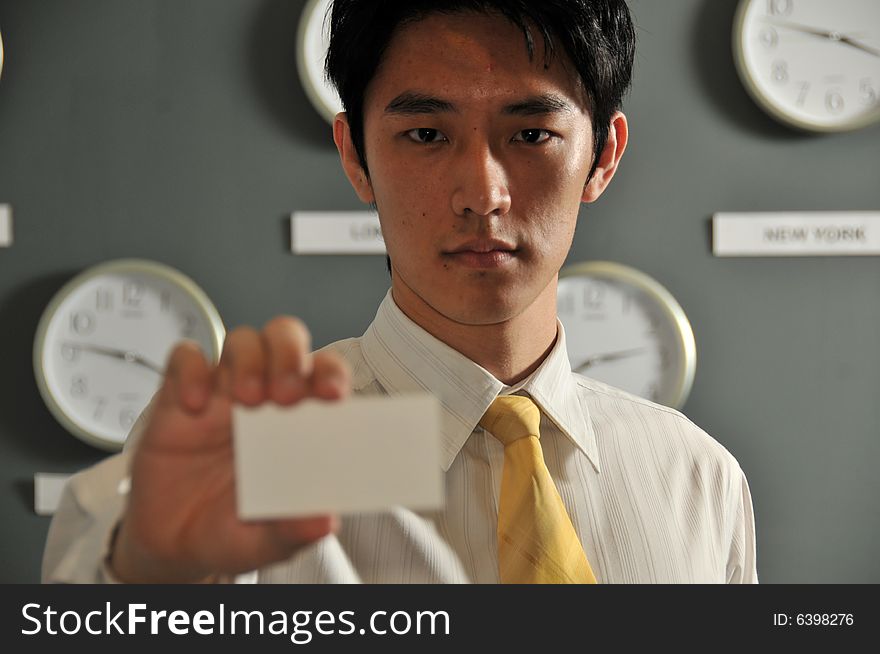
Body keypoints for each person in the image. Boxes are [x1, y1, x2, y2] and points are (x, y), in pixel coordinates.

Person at [43, 0, 757, 584]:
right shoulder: (245, 458)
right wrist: (144, 581)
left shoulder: (697, 479)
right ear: (355, 156)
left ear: (602, 156)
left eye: (532, 133)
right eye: (424, 133)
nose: (483, 193)